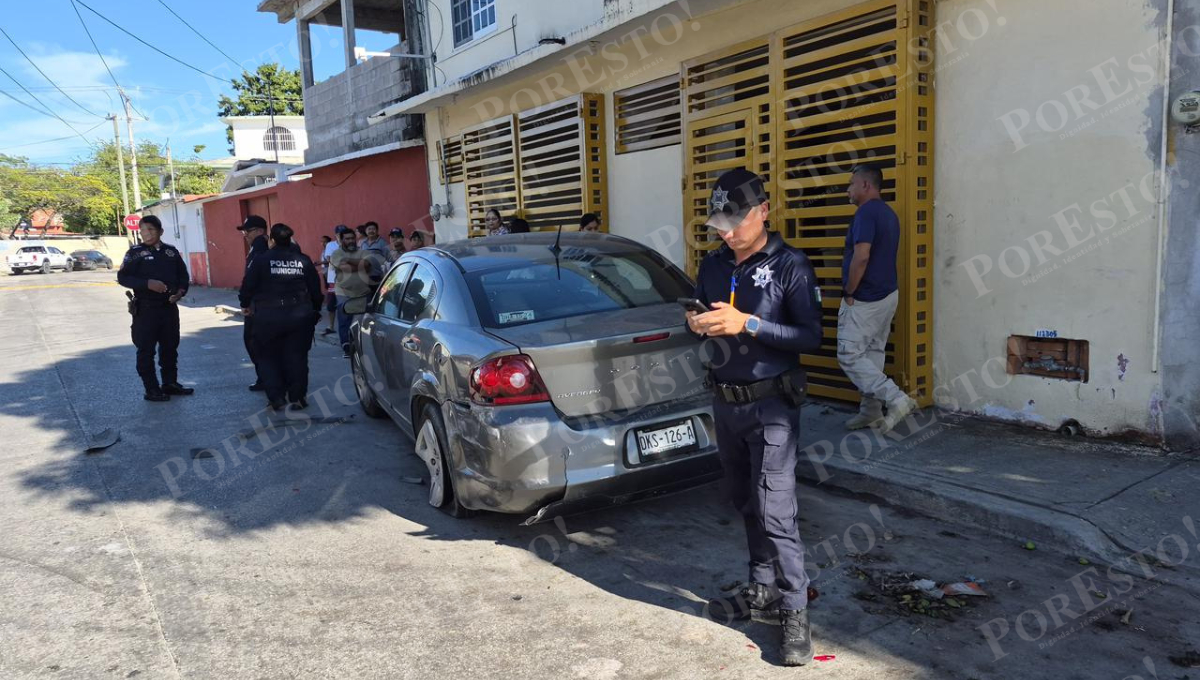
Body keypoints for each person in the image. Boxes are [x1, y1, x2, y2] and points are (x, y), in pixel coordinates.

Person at [686, 168, 822, 667]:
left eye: (735, 220)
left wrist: (750, 323)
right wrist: (696, 322)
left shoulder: (791, 266)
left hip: (772, 408)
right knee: (744, 500)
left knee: (776, 511)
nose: (726, 231)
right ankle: (761, 588)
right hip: (726, 402)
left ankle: (794, 612)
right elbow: (702, 315)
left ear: (763, 211)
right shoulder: (714, 264)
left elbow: (810, 337)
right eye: (719, 222)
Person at [839, 164, 917, 433]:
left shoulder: (866, 213)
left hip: (866, 297)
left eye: (851, 183)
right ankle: (870, 412)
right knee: (872, 353)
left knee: (848, 354)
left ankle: (896, 399)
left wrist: (849, 291)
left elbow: (862, 256)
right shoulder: (888, 214)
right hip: (886, 295)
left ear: (865, 185)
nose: (848, 190)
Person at [239, 223, 323, 411]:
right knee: (297, 357)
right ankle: (298, 397)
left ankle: (276, 397)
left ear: (272, 240)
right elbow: (316, 290)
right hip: (300, 316)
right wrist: (315, 310)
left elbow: (248, 285)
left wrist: (244, 305)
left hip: (268, 317)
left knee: (267, 357)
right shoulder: (303, 260)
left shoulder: (261, 260)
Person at [117, 215, 195, 402]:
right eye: (143, 230)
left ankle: (170, 383)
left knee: (170, 347)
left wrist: (180, 292)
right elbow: (123, 277)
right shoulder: (135, 253)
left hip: (168, 307)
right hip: (146, 309)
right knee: (146, 349)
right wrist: (147, 283)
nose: (146, 234)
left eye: (151, 229)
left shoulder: (171, 252)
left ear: (160, 231)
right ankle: (151, 388)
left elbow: (183, 276)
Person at [330, 226, 378, 357]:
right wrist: (360, 265)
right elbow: (344, 268)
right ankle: (346, 346)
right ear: (341, 240)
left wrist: (350, 260)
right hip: (343, 293)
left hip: (363, 292)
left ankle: (361, 345)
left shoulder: (363, 251)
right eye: (347, 239)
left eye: (352, 238)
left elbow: (367, 265)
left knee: (363, 321)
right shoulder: (336, 254)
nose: (351, 241)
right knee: (345, 319)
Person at [237, 215, 269, 391]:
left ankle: (267, 378)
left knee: (254, 342)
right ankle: (265, 377)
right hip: (262, 303)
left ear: (260, 231)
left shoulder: (260, 248)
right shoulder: (259, 247)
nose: (245, 235)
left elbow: (251, 279)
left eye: (247, 231)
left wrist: (245, 301)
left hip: (259, 305)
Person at [319, 226, 343, 336]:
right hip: (333, 278)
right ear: (335, 235)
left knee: (344, 304)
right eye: (339, 234)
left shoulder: (349, 244)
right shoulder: (331, 245)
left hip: (347, 279)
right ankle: (331, 326)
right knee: (331, 304)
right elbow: (329, 259)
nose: (340, 235)